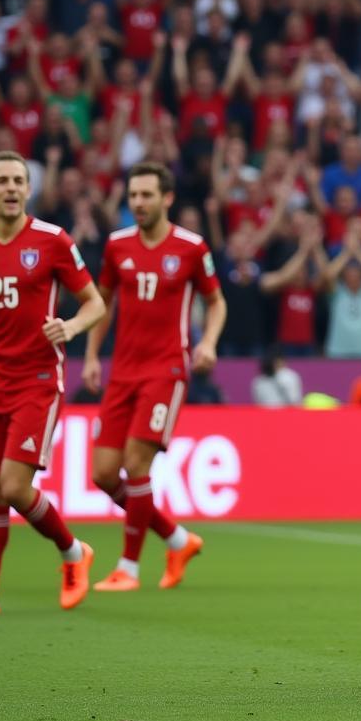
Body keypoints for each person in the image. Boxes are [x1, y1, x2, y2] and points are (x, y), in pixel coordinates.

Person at [83, 162, 227, 592]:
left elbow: (216, 303)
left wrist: (209, 343)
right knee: (104, 475)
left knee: (135, 464)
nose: (138, 203)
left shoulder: (191, 248)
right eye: (133, 196)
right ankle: (177, 539)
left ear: (166, 199)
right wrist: (91, 355)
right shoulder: (116, 246)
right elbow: (102, 304)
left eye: (146, 195)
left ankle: (127, 568)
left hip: (166, 370)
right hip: (122, 371)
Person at [0, 150, 105, 613]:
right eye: (2, 181)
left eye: (19, 180)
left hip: (37, 379)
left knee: (15, 486)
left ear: (29, 189)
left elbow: (95, 302)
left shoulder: (53, 240)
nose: (12, 188)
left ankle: (73, 552)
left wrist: (72, 327)